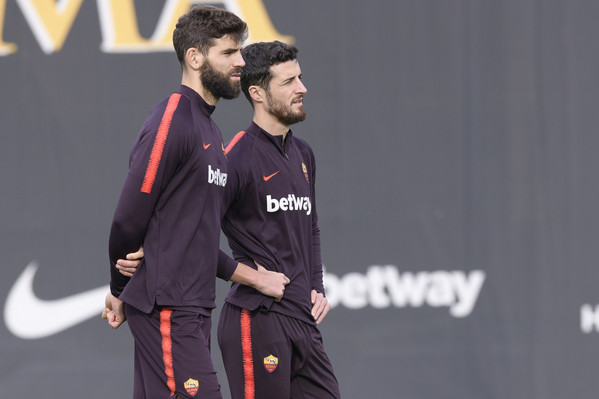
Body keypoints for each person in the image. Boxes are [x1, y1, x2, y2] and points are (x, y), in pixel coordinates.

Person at [104, 7, 288, 399]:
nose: (241, 61)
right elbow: (127, 218)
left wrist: (256, 277)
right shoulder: (173, 119)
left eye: (240, 51)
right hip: (167, 308)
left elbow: (197, 241)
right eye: (229, 52)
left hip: (193, 306)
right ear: (195, 57)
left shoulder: (209, 127)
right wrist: (120, 288)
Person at [216, 41, 341, 399]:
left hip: (302, 318)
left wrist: (316, 285)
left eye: (299, 78)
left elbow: (311, 228)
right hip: (257, 319)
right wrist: (253, 277)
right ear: (256, 92)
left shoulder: (304, 154)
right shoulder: (236, 157)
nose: (302, 88)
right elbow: (193, 236)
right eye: (288, 82)